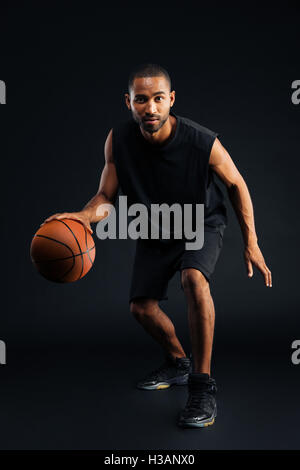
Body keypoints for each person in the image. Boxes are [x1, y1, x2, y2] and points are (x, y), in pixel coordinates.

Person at [42, 63, 272, 428]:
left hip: (201, 223)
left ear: (171, 100)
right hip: (155, 224)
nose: (150, 108)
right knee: (141, 308)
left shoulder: (201, 140)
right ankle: (179, 362)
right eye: (141, 100)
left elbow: (236, 184)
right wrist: (83, 218)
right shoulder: (118, 139)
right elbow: (106, 194)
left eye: (158, 99)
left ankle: (202, 385)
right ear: (129, 102)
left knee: (193, 280)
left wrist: (252, 242)